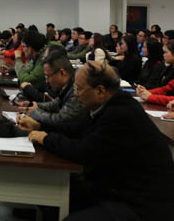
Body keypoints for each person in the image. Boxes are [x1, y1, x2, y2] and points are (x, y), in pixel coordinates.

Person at [27, 62, 174, 221]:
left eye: (79, 89)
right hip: (118, 188)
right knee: (50, 187)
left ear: (100, 91)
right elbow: (75, 129)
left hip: (142, 205)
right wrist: (41, 126)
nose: (76, 94)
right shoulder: (107, 105)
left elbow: (83, 152)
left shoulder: (120, 114)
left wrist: (46, 138)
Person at [17, 51, 87, 129]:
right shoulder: (68, 83)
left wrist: (34, 113)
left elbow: (61, 120)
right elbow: (55, 104)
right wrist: (32, 105)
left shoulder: (77, 88)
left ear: (62, 73)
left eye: (48, 76)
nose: (47, 81)